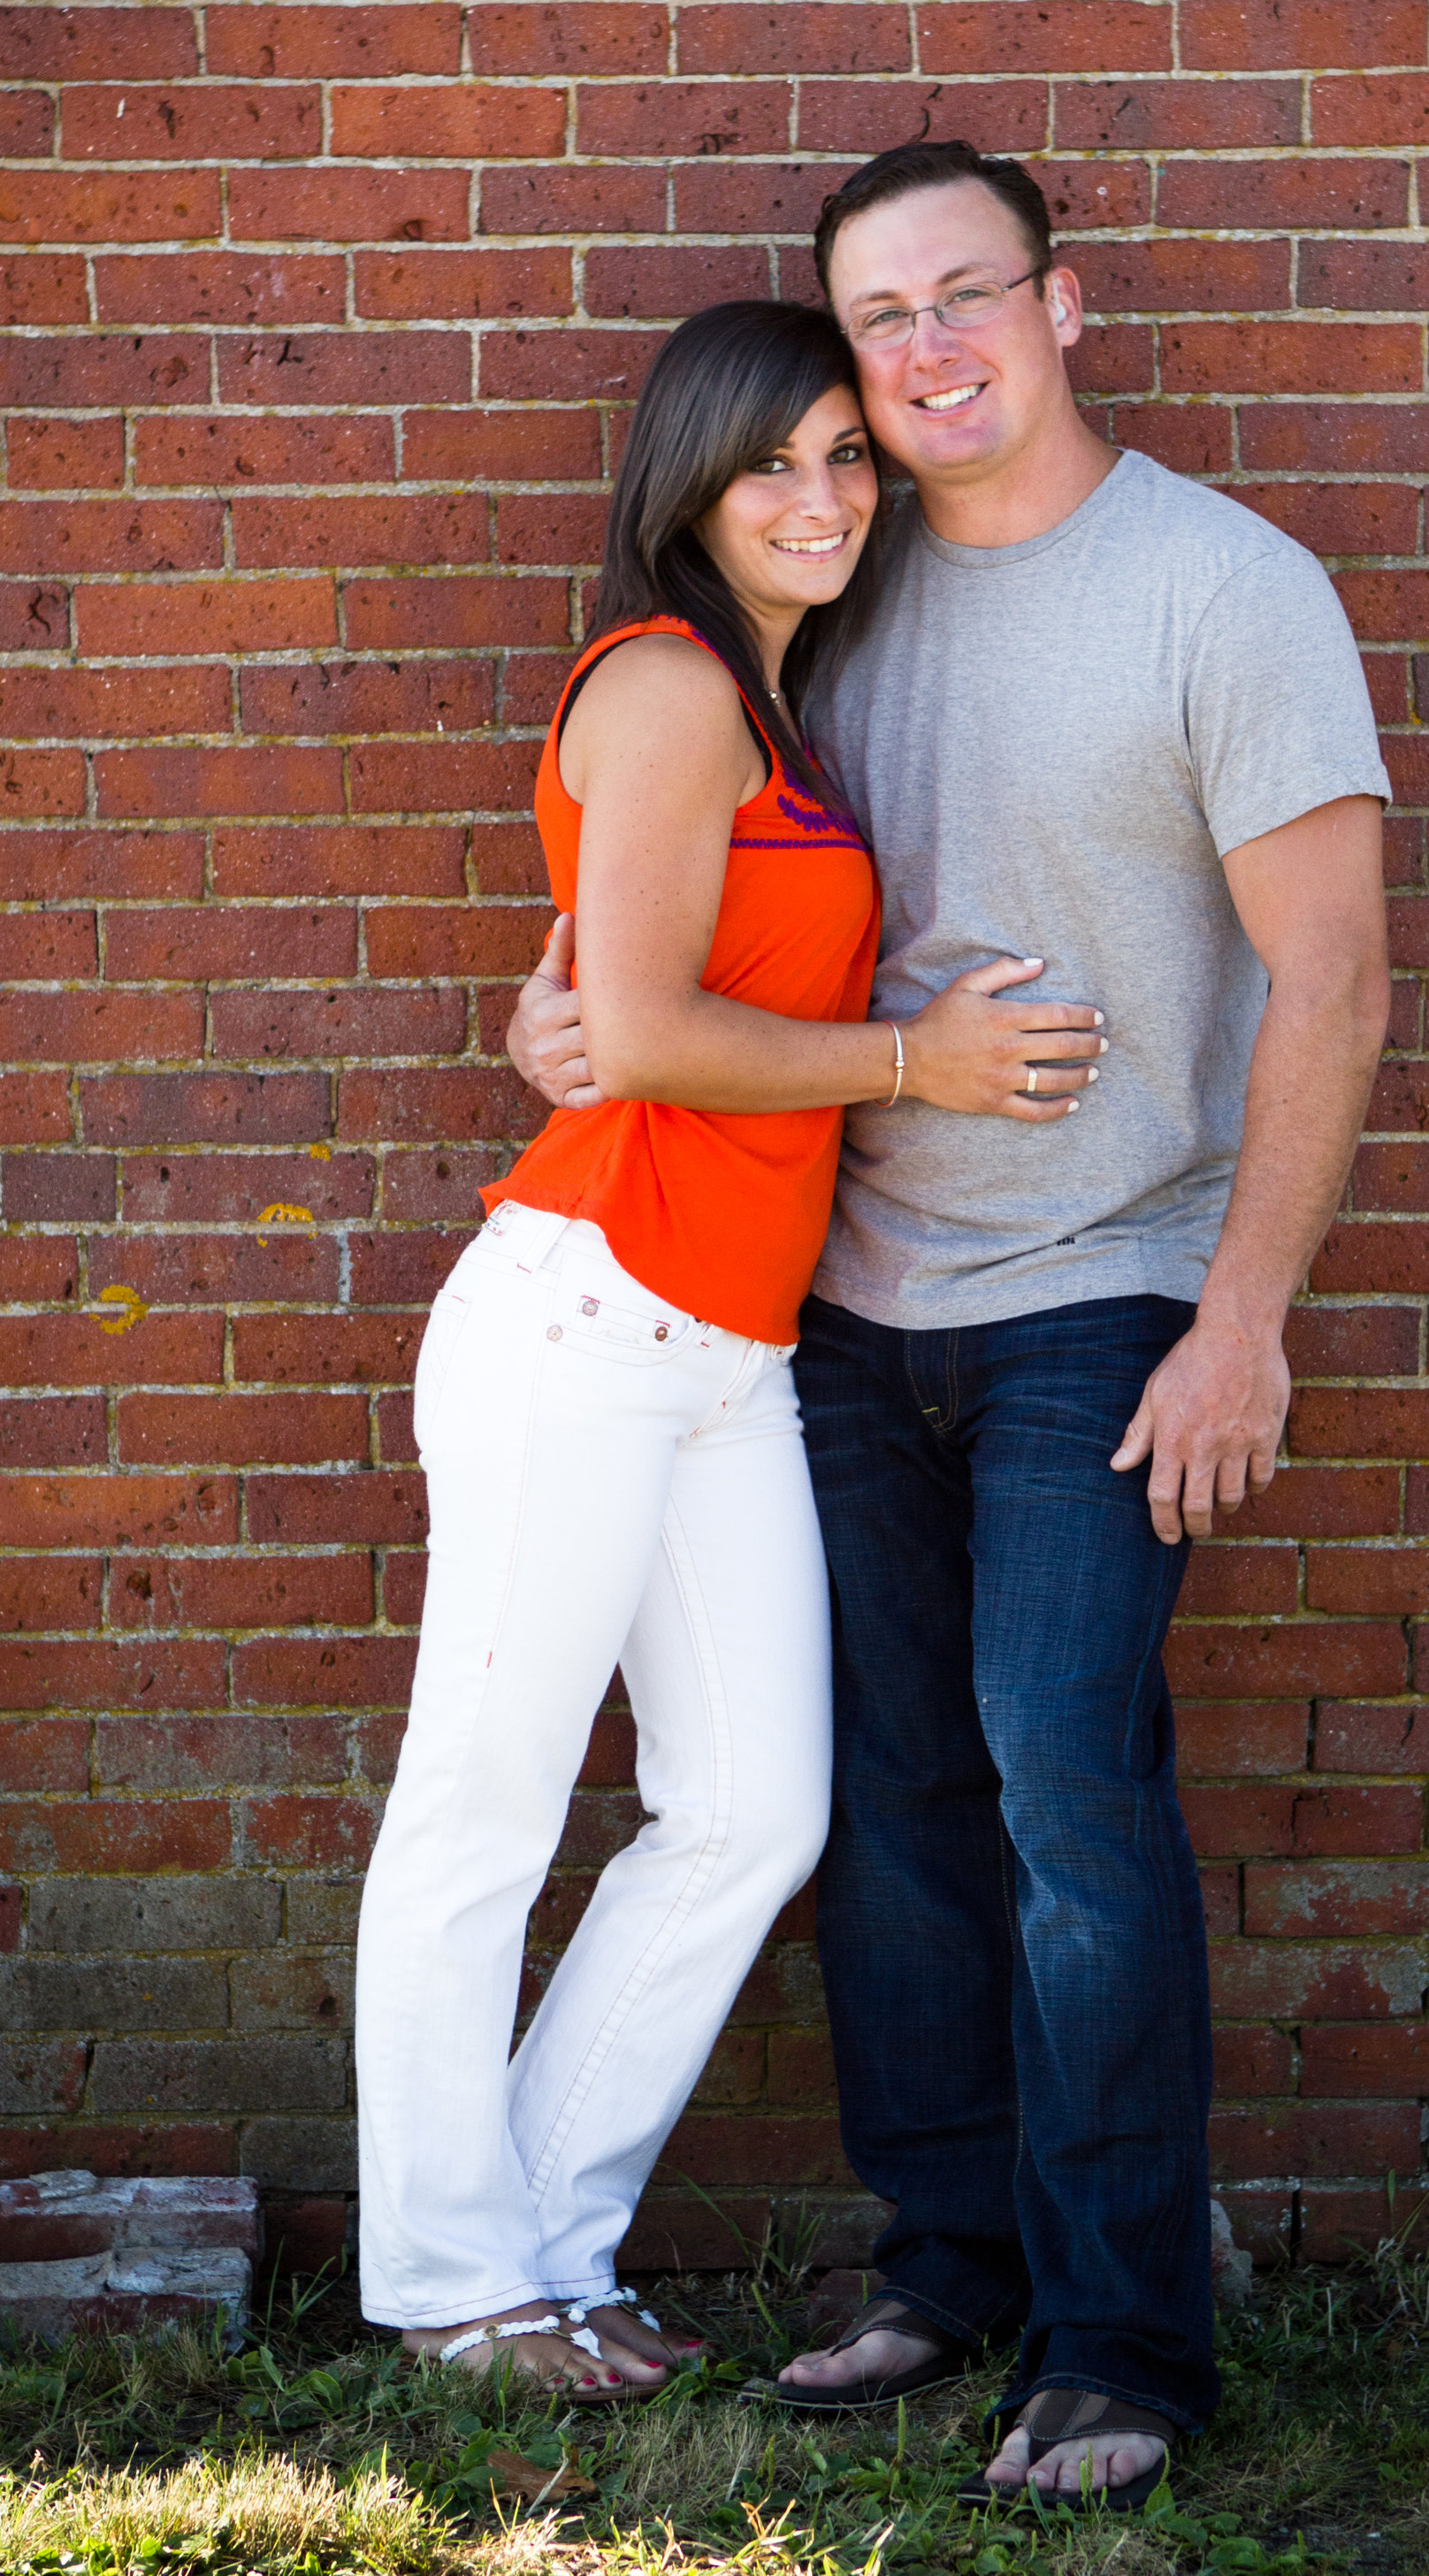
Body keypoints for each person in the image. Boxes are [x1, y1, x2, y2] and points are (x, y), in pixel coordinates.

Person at [508, 149, 1392, 2498]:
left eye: (960, 292)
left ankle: (1120, 2335)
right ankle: (946, 2256)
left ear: (1062, 300)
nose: (918, 350)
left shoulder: (1223, 585)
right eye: (873, 316)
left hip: (1104, 1292)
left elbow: (1335, 968)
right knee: (894, 1807)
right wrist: (568, 1004)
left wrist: (1246, 1317)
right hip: (835, 1298)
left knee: (1064, 1788)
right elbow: (682, 895)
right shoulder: (838, 577)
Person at [355, 295, 1104, 2402]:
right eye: (770, 459)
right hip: (584, 1313)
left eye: (845, 456)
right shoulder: (669, 683)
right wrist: (913, 1064)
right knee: (482, 1808)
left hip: (721, 1349)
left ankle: (548, 2243)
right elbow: (661, 1032)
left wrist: (583, 1015)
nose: (822, 495)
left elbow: (610, 995)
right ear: (687, 484)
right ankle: (445, 2282)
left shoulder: (777, 714)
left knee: (753, 1813)